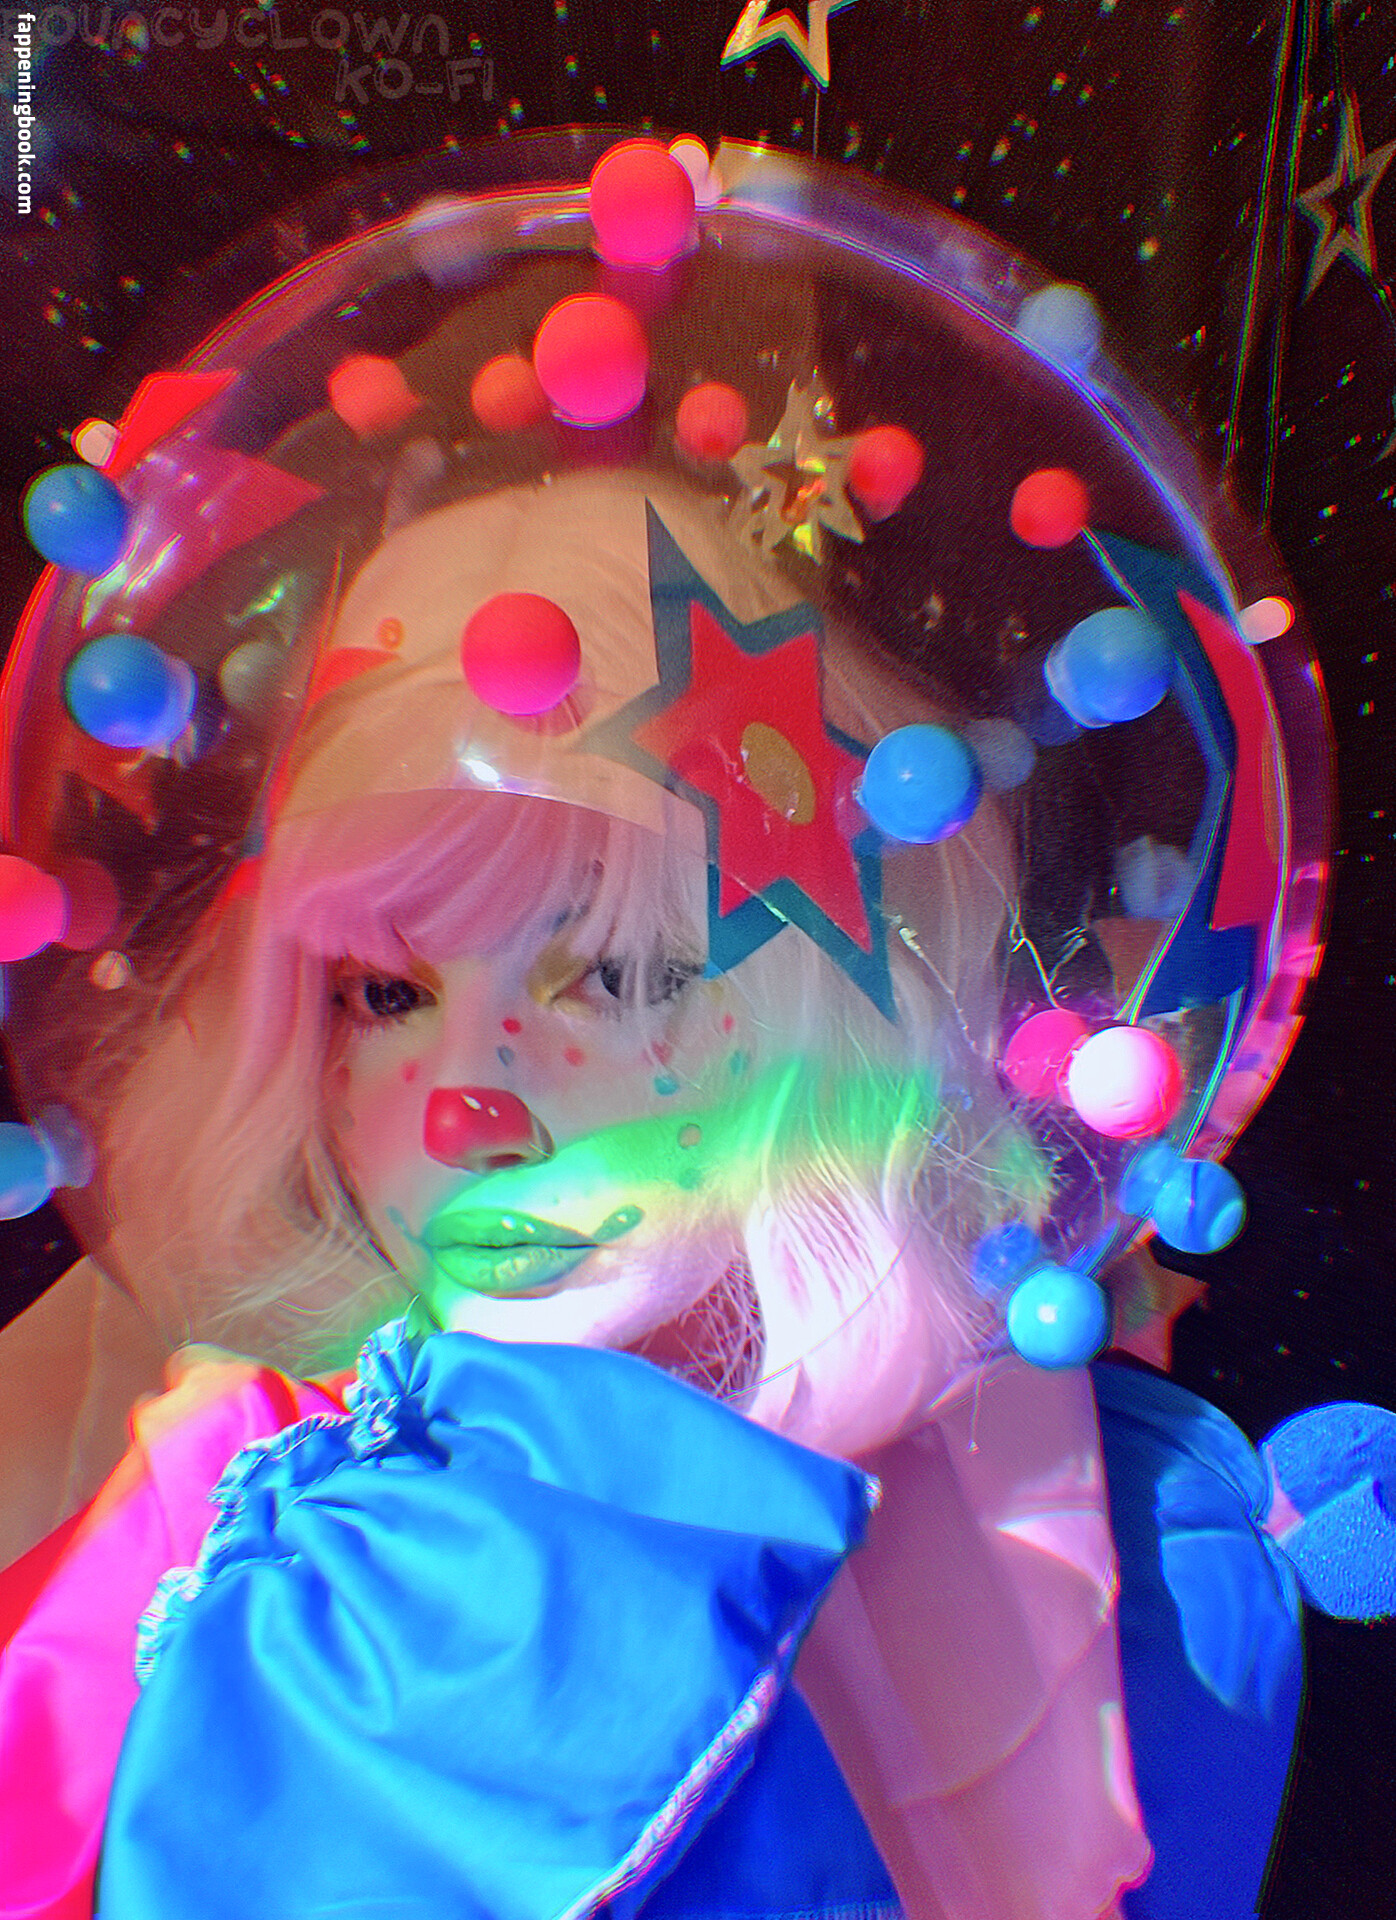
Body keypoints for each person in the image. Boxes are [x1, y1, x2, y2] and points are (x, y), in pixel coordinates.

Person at [0, 143, 1377, 1919]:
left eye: (621, 976)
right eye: (386, 995)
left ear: (812, 1011)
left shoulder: (1119, 1553)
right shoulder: (224, 1478)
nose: (471, 1108)